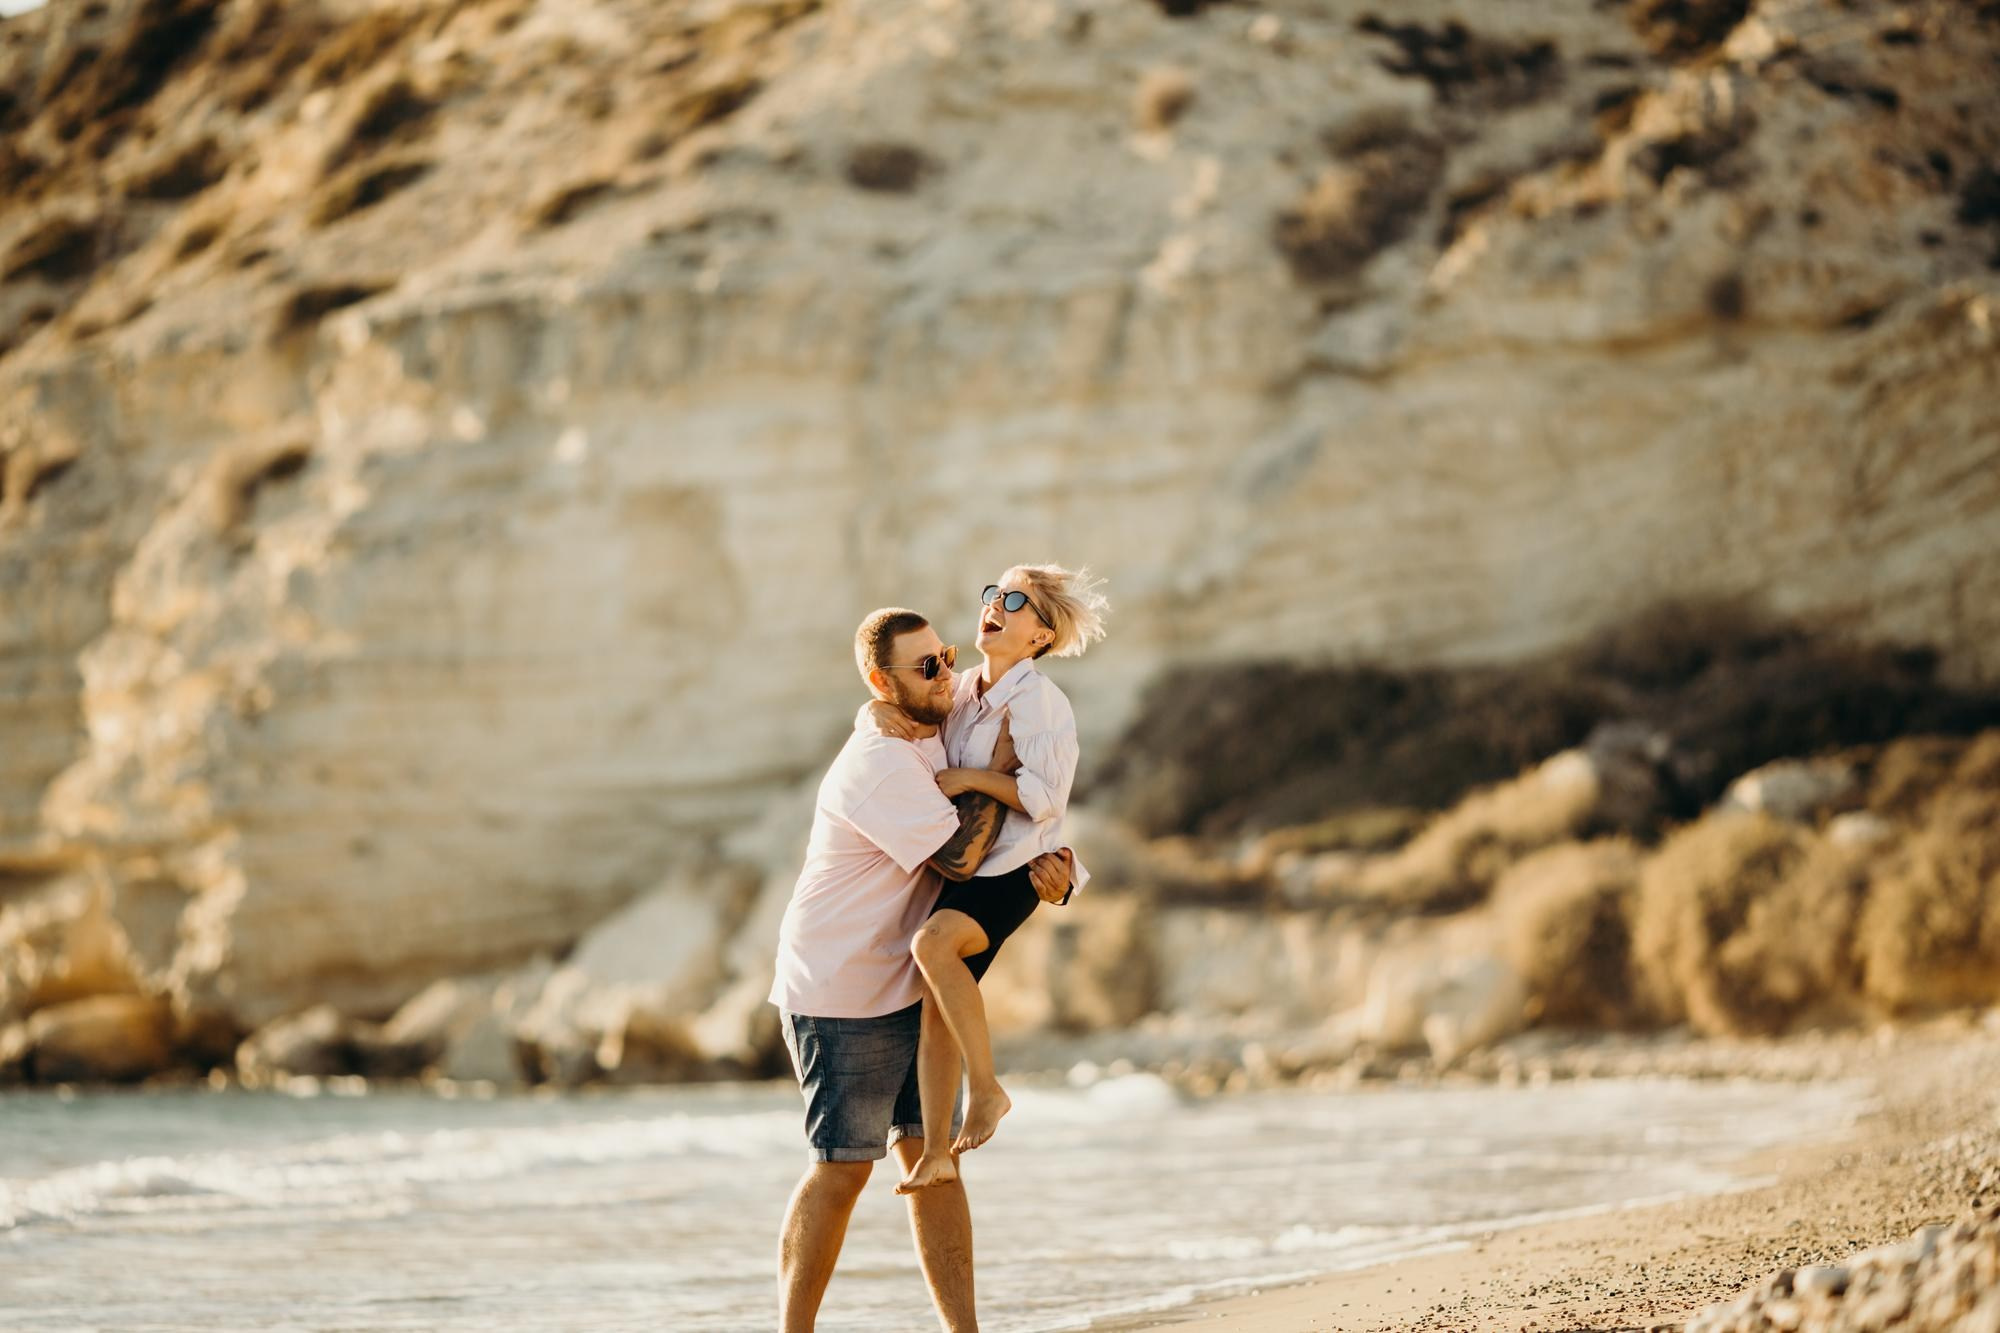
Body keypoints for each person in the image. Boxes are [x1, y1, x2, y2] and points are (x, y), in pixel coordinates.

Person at [769, 607, 1075, 1333]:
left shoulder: (937, 718)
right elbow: (962, 857)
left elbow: (1021, 811)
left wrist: (1055, 866)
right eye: (927, 665)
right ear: (883, 683)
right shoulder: (876, 762)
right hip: (841, 985)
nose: (946, 674)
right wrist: (1000, 775)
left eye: (946, 655)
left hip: (911, 980)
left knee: (933, 1159)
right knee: (843, 1166)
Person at [862, 565, 1109, 1195]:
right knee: (936, 1004)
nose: (996, 604)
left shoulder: (1041, 702)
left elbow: (1046, 798)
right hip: (967, 867)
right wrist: (875, 710)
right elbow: (916, 721)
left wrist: (972, 778)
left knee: (932, 945)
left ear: (1040, 636)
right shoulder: (966, 687)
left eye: (1016, 600)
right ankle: (936, 1154)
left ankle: (988, 1090)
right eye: (994, 594)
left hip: (1018, 868)